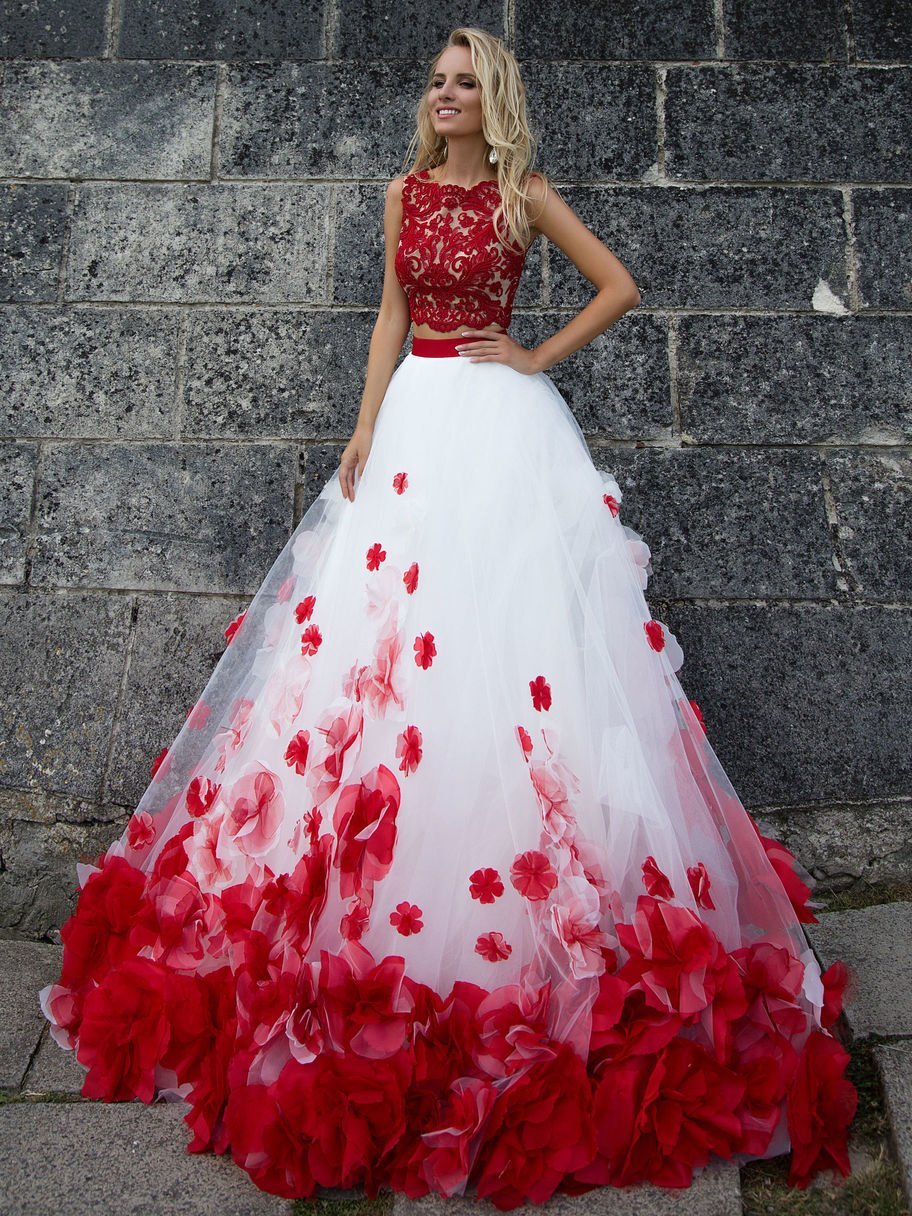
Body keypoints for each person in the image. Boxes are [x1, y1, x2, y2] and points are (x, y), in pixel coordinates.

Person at [38, 25, 858, 1210]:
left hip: (506, 433)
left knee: (519, 661)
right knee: (376, 665)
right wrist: (364, 424)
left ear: (497, 98)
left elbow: (620, 284)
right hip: (418, 420)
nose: (448, 95)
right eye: (437, 80)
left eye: (468, 82)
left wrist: (534, 356)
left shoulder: (524, 192)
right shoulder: (402, 191)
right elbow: (387, 312)